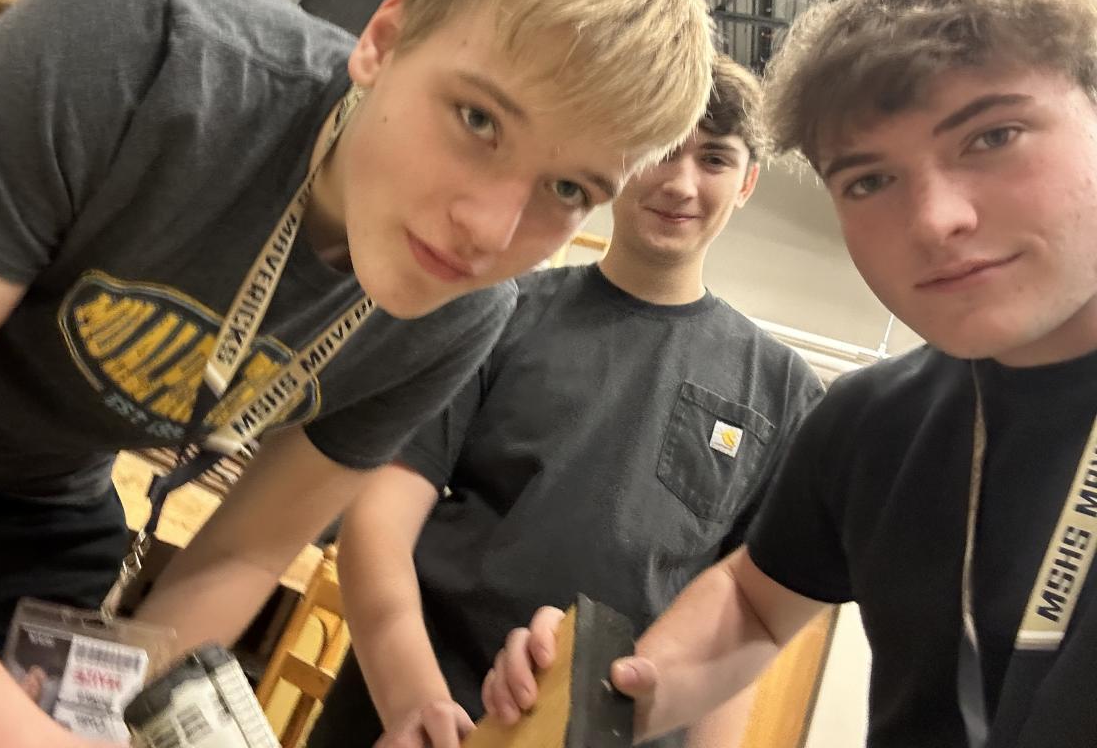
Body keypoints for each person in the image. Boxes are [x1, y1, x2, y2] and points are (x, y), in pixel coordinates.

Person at [0, 0, 714, 748]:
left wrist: (97, 717)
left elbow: (243, 553)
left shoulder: (457, 318)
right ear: (385, 39)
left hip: (31, 500)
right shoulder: (147, 43)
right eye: (479, 120)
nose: (488, 231)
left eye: (566, 188)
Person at [482, 0, 1097, 748]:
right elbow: (756, 603)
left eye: (992, 136)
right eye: (869, 181)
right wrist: (615, 690)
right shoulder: (869, 424)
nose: (934, 219)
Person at [309, 57, 824, 748]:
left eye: (714, 160)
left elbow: (740, 628)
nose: (680, 182)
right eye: (662, 149)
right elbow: (379, 521)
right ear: (618, 157)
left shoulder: (783, 393)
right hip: (415, 719)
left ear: (747, 182)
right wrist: (414, 703)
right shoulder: (497, 311)